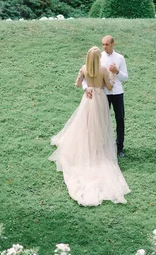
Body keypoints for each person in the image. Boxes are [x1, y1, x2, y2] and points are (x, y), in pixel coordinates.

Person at [49, 46, 130, 206]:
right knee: (99, 125)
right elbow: (110, 86)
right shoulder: (103, 70)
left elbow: (78, 83)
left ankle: (87, 144)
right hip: (99, 99)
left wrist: (87, 87)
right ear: (98, 58)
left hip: (88, 100)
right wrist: (112, 74)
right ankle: (98, 147)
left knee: (86, 124)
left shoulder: (84, 68)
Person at [83, 35, 129, 157]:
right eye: (103, 44)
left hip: (117, 92)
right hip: (102, 93)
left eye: (107, 44)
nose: (104, 47)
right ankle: (102, 146)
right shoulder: (99, 56)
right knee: (101, 120)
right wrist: (86, 87)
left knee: (120, 119)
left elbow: (125, 77)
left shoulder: (120, 58)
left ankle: (120, 147)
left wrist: (117, 71)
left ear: (113, 44)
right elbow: (86, 74)